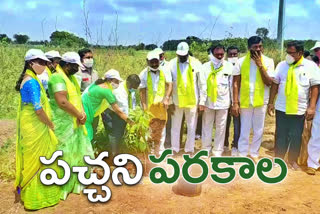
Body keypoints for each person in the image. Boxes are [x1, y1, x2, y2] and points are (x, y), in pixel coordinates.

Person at [15, 49, 60, 210]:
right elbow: (38, 109)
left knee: (35, 158)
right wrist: (50, 124)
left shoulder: (27, 78)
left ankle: (32, 194)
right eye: (39, 62)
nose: (43, 65)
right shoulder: (32, 82)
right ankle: (36, 199)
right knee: (41, 158)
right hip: (36, 124)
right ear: (30, 63)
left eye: (44, 62)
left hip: (30, 123)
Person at [48, 52, 94, 200]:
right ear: (67, 65)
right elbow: (62, 101)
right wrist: (78, 115)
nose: (77, 69)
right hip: (63, 123)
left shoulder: (72, 78)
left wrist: (82, 113)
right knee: (64, 153)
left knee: (76, 153)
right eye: (75, 66)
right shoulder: (57, 78)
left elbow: (77, 97)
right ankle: (63, 185)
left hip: (74, 121)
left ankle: (75, 182)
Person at [268, 41, 320, 171]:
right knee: (281, 134)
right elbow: (275, 84)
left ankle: (292, 160)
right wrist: (270, 102)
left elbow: (315, 87)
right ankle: (279, 159)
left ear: (300, 53)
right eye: (287, 52)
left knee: (296, 135)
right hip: (281, 107)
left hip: (299, 108)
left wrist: (312, 107)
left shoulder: (310, 66)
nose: (288, 55)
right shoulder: (281, 65)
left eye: (291, 53)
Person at [232, 36, 274, 162]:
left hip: (261, 100)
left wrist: (260, 66)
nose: (258, 49)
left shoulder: (268, 61)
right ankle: (242, 153)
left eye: (260, 46)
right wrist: (235, 102)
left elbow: (269, 82)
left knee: (258, 128)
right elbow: (235, 83)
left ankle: (254, 153)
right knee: (244, 128)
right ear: (249, 47)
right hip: (245, 100)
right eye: (255, 47)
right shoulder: (240, 62)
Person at [199, 44, 233, 156]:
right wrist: (202, 102)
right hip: (208, 102)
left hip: (223, 102)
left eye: (222, 54)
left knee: (221, 127)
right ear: (212, 53)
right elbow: (202, 85)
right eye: (217, 54)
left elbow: (231, 86)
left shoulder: (229, 66)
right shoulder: (205, 67)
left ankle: (218, 150)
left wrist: (233, 103)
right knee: (206, 126)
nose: (219, 56)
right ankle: (206, 149)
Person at [169, 42, 202, 154]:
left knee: (191, 126)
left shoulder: (196, 63)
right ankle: (175, 148)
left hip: (192, 101)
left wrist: (201, 102)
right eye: (180, 55)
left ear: (188, 53)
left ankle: (189, 149)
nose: (182, 57)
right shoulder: (171, 64)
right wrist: (169, 102)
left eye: (184, 55)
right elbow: (168, 84)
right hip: (176, 101)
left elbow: (201, 84)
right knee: (175, 126)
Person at [82, 69, 132, 142]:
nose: (118, 83)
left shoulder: (97, 84)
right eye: (116, 81)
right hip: (86, 114)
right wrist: (130, 122)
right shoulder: (106, 91)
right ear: (109, 80)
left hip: (84, 110)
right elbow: (117, 110)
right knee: (87, 138)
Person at [140, 51, 173, 155]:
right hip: (149, 105)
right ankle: (151, 150)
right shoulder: (143, 74)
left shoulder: (165, 71)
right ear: (147, 61)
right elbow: (142, 91)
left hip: (161, 104)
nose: (154, 64)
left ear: (159, 61)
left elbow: (170, 84)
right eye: (152, 62)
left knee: (161, 126)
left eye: (156, 62)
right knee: (150, 127)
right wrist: (144, 106)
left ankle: (160, 150)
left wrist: (167, 98)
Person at [102, 74, 141, 155]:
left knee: (119, 133)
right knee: (114, 135)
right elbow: (122, 112)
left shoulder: (127, 86)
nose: (133, 89)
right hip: (109, 112)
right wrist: (131, 123)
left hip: (118, 111)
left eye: (135, 88)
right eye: (133, 87)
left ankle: (116, 152)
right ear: (128, 82)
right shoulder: (120, 92)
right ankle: (113, 155)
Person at [224, 45, 241, 156]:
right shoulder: (224, 66)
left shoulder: (241, 66)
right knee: (224, 124)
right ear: (227, 55)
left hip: (237, 101)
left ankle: (235, 145)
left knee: (237, 124)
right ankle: (224, 144)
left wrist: (236, 102)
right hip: (224, 100)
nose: (233, 56)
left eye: (235, 54)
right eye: (230, 54)